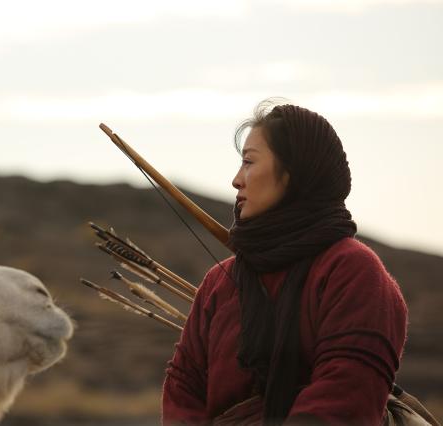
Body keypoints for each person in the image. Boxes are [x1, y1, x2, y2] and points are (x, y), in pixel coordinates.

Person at [161, 101, 409, 425]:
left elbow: (346, 396)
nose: (236, 180)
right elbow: (183, 390)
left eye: (249, 162)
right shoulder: (219, 282)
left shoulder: (353, 271)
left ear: (294, 173)